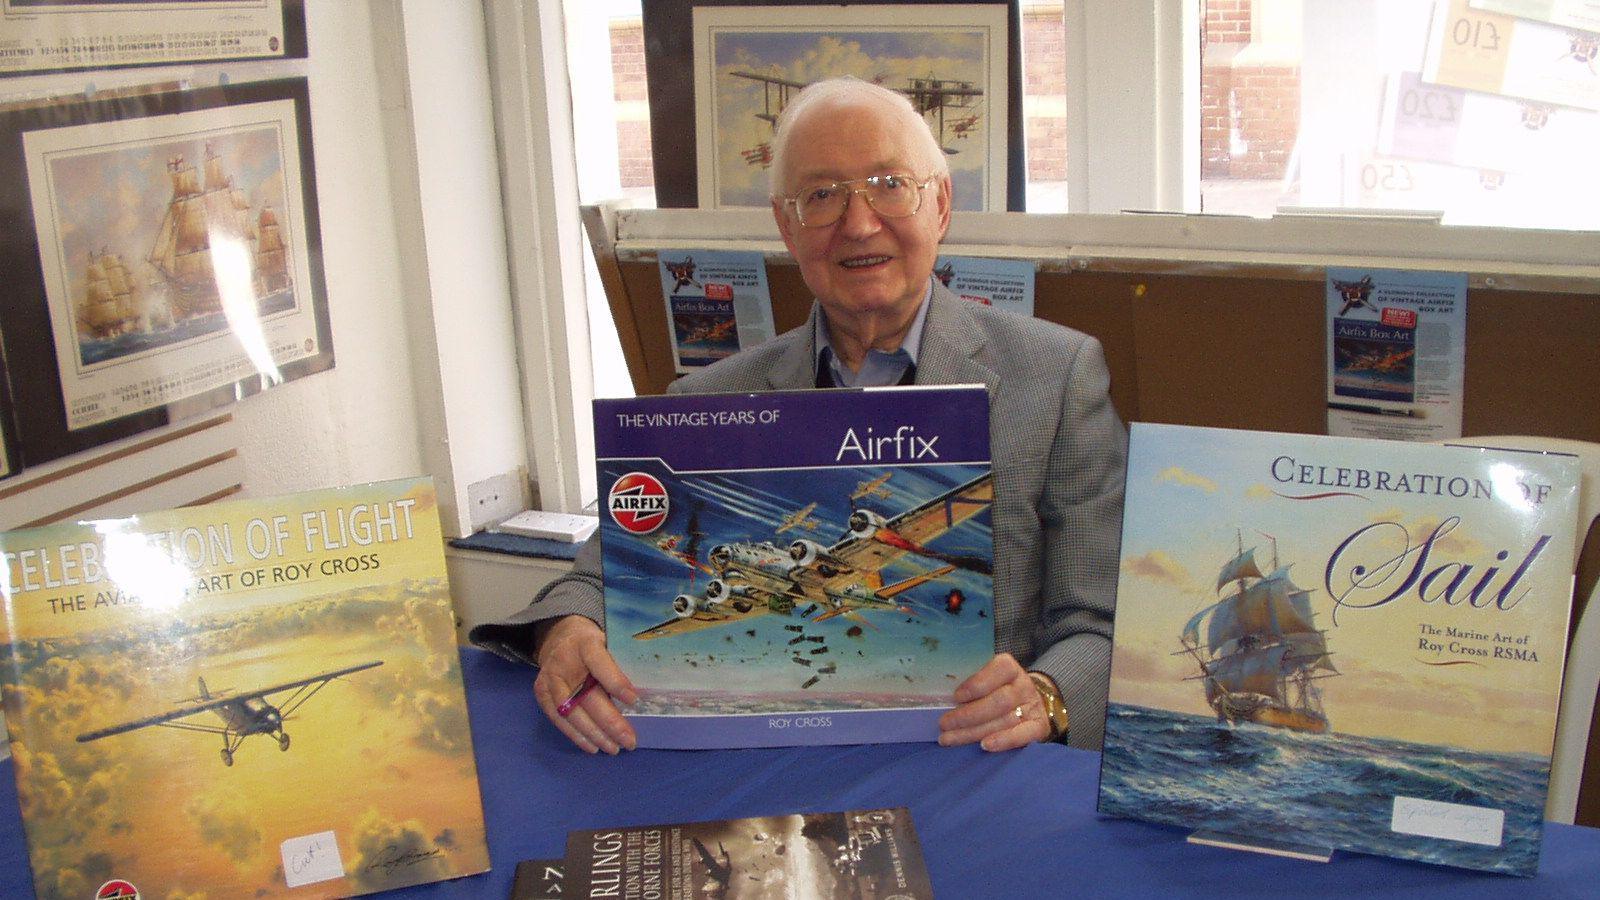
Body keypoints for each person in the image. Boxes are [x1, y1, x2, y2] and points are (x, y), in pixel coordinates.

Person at [471, 77, 1126, 755]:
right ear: (786, 226)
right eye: (822, 196)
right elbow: (594, 577)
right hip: (775, 763)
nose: (860, 222)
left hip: (972, 764)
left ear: (941, 205)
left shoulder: (1058, 379)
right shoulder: (704, 405)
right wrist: (567, 631)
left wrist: (1047, 695)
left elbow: (1105, 622)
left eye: (889, 184)